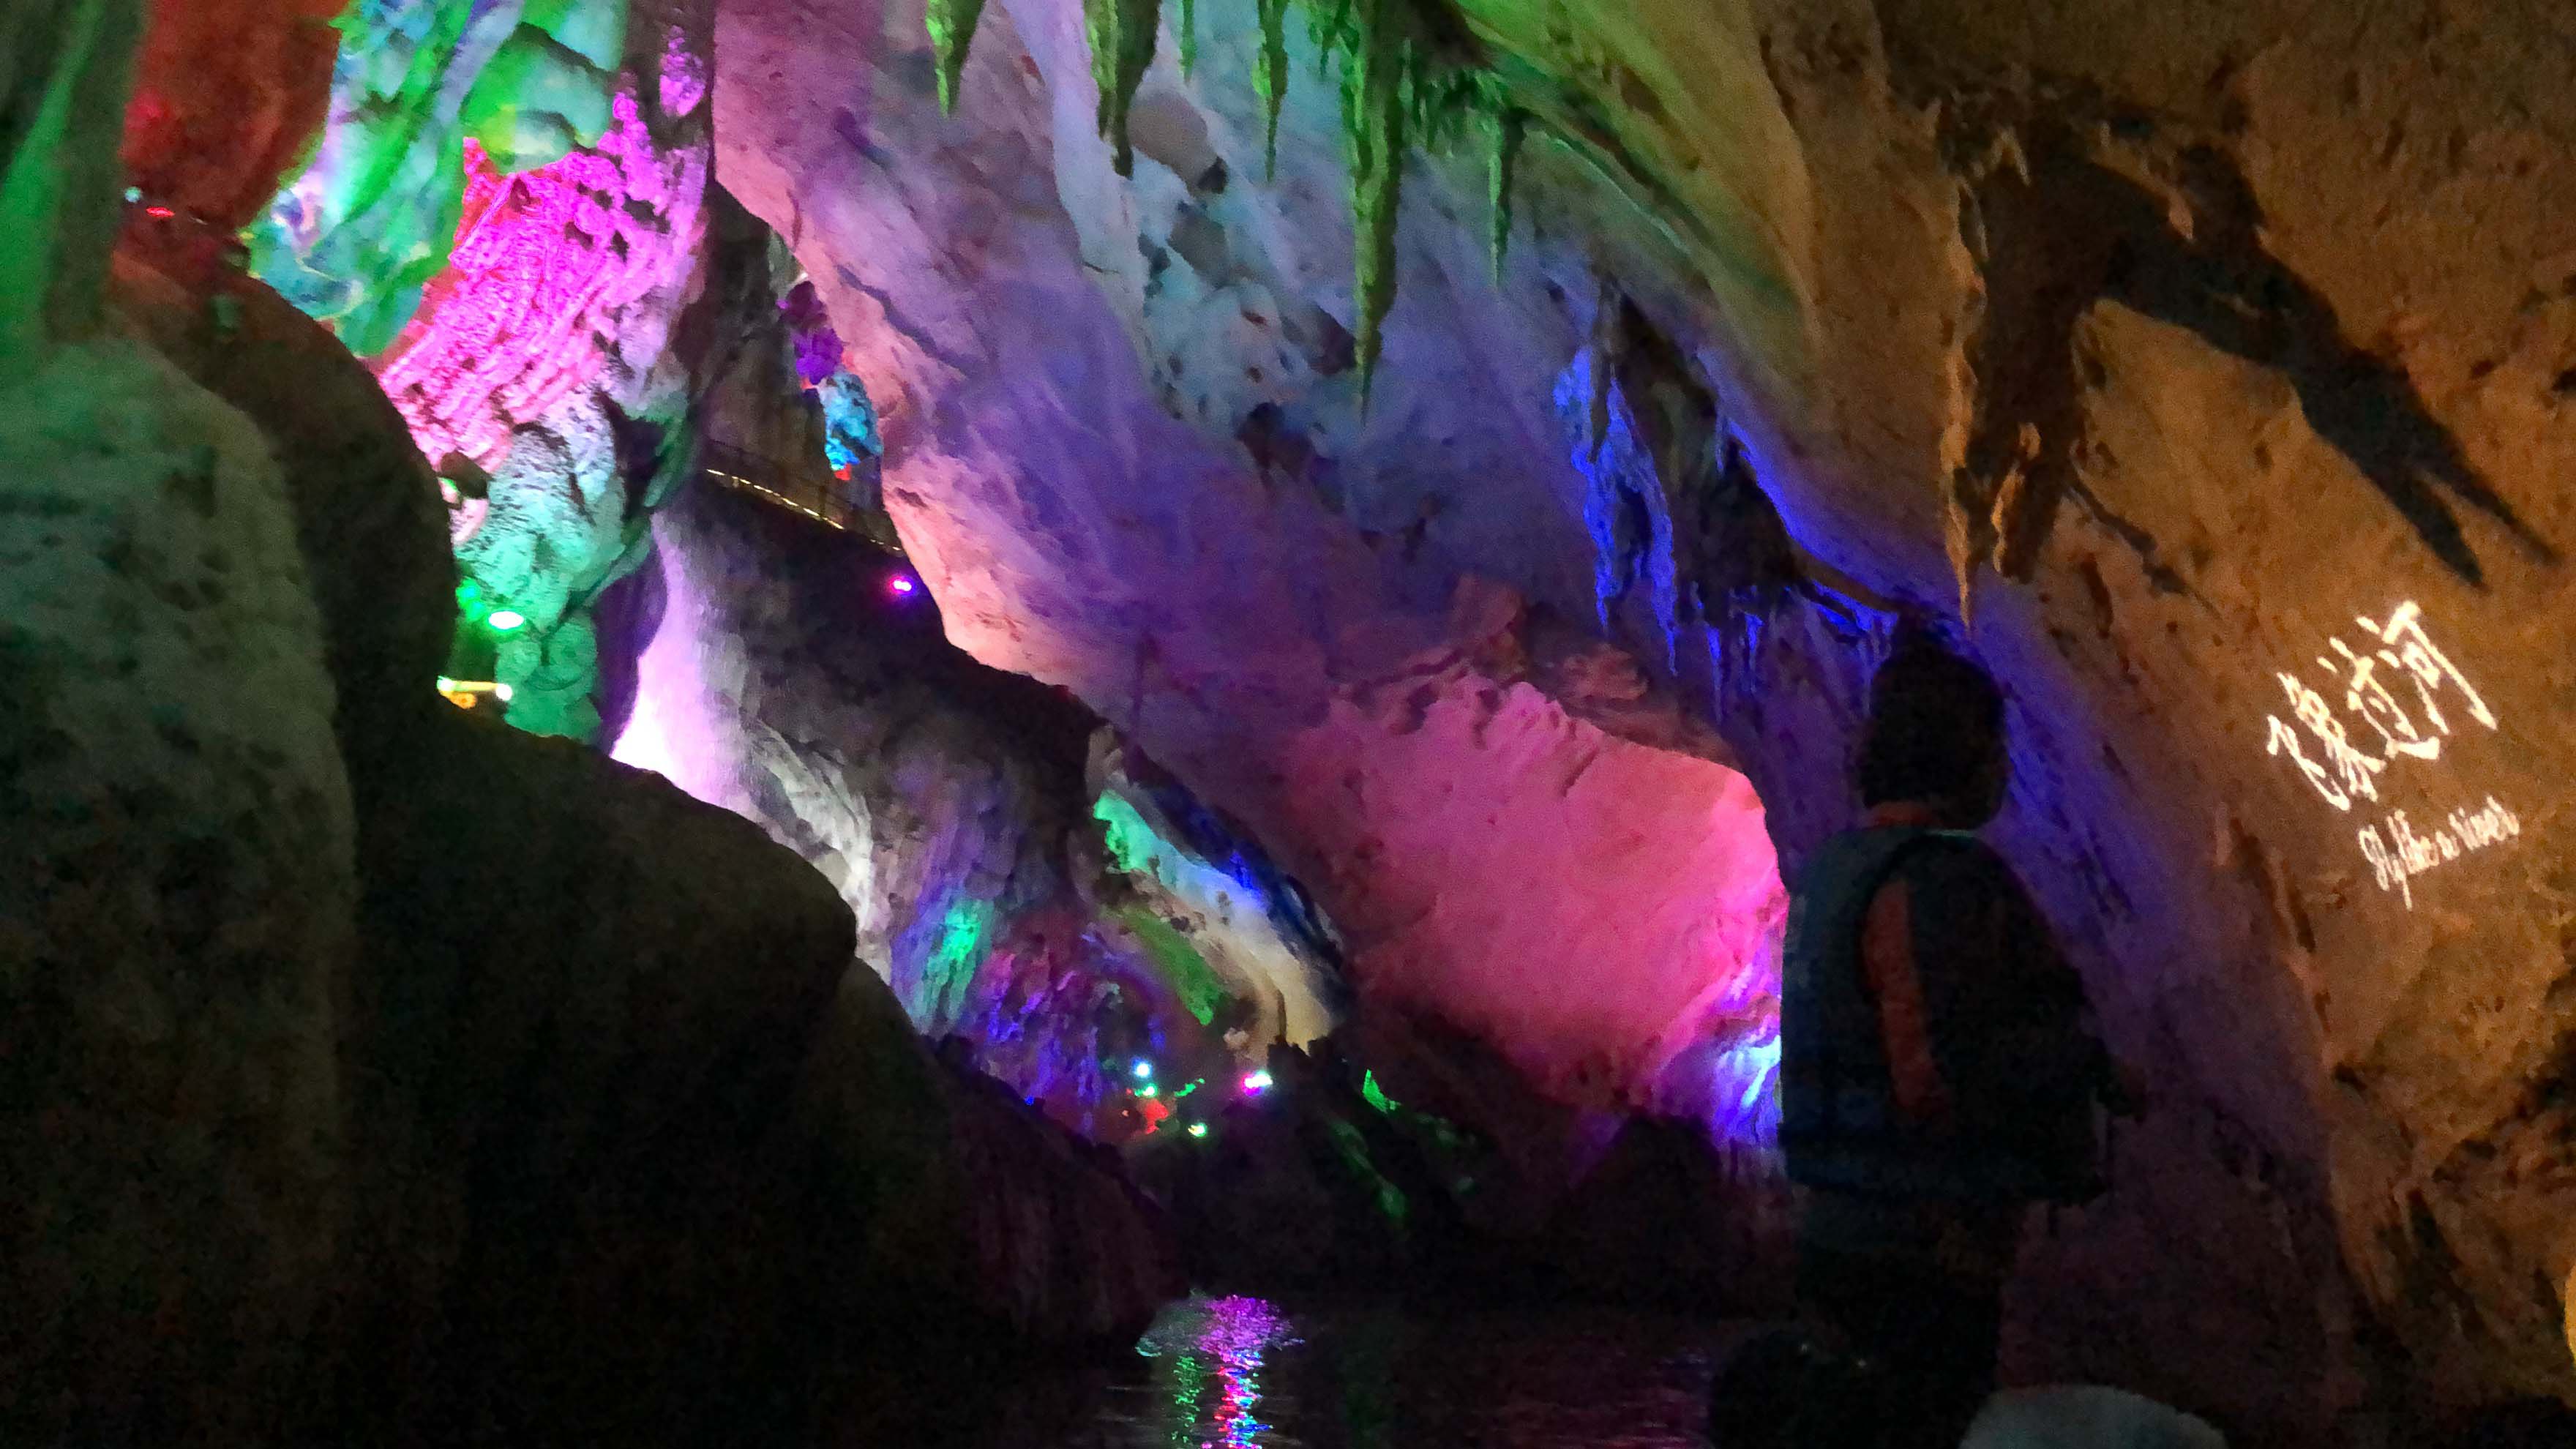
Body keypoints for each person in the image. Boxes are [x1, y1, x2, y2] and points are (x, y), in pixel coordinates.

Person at [1770, 632, 2138, 1448]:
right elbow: (1934, 1072)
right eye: (1993, 746)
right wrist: (2082, 1067)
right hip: (1922, 1247)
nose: (2004, 769)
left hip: (1836, 1228)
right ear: (1961, 754)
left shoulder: (1836, 870)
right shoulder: (1939, 879)